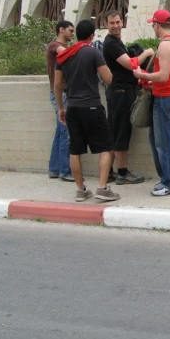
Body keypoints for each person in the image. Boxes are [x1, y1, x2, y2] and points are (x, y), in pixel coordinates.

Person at [54, 19, 119, 203]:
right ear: (91, 36)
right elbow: (108, 79)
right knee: (105, 147)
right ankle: (102, 187)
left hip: (72, 107)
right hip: (91, 106)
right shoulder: (93, 52)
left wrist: (61, 108)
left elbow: (58, 85)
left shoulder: (64, 55)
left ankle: (81, 190)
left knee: (75, 150)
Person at [133, 10, 170, 197]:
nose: (152, 28)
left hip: (164, 98)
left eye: (152, 25)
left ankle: (169, 182)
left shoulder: (164, 46)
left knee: (164, 142)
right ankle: (168, 180)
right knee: (158, 140)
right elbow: (169, 75)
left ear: (156, 24)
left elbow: (163, 76)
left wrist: (142, 75)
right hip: (166, 95)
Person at [102, 9, 154, 185]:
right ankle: (122, 173)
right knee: (121, 132)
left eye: (118, 22)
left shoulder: (115, 42)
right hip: (120, 93)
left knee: (114, 131)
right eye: (112, 23)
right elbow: (131, 64)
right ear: (106, 24)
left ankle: (107, 171)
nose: (116, 26)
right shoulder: (111, 44)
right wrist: (147, 53)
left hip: (120, 92)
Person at [46, 20, 74, 181]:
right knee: (66, 132)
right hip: (60, 94)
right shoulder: (54, 45)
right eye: (70, 30)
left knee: (60, 132)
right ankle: (65, 170)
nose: (72, 33)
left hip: (62, 93)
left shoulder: (61, 47)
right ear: (61, 30)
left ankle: (55, 169)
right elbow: (64, 52)